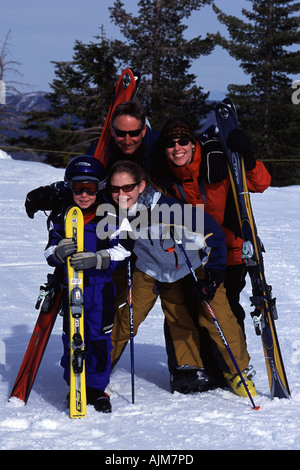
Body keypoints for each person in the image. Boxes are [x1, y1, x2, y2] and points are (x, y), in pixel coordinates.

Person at [25, 101, 210, 393]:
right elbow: (82, 179)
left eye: (134, 133)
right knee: (119, 308)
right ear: (112, 131)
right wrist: (53, 193)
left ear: (143, 129)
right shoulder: (104, 153)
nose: (127, 139)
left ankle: (185, 369)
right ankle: (100, 365)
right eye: (121, 133)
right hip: (118, 237)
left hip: (163, 240)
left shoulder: (159, 151)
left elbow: (184, 171)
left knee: (180, 306)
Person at [107, 160, 257, 398]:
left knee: (216, 315)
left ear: (141, 186)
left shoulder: (169, 209)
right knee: (130, 317)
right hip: (151, 268)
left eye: (127, 188)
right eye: (115, 189)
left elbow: (213, 234)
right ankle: (98, 369)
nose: (120, 194)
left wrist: (215, 271)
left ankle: (239, 371)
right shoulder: (118, 210)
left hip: (192, 265)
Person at [151, 116, 271, 335]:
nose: (177, 148)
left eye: (183, 141)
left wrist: (248, 157)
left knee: (228, 308)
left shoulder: (217, 160)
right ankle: (206, 365)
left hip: (232, 252)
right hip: (196, 256)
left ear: (193, 142)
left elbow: (260, 183)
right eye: (170, 143)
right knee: (196, 310)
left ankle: (235, 362)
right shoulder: (165, 176)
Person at [44, 155, 133, 413]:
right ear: (69, 187)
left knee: (98, 340)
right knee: (72, 337)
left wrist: (100, 258)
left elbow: (125, 249)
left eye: (90, 188)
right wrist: (57, 253)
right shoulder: (61, 216)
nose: (84, 194)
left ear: (100, 187)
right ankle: (75, 384)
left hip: (101, 288)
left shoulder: (112, 215)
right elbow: (48, 250)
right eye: (78, 187)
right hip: (72, 288)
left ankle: (96, 388)